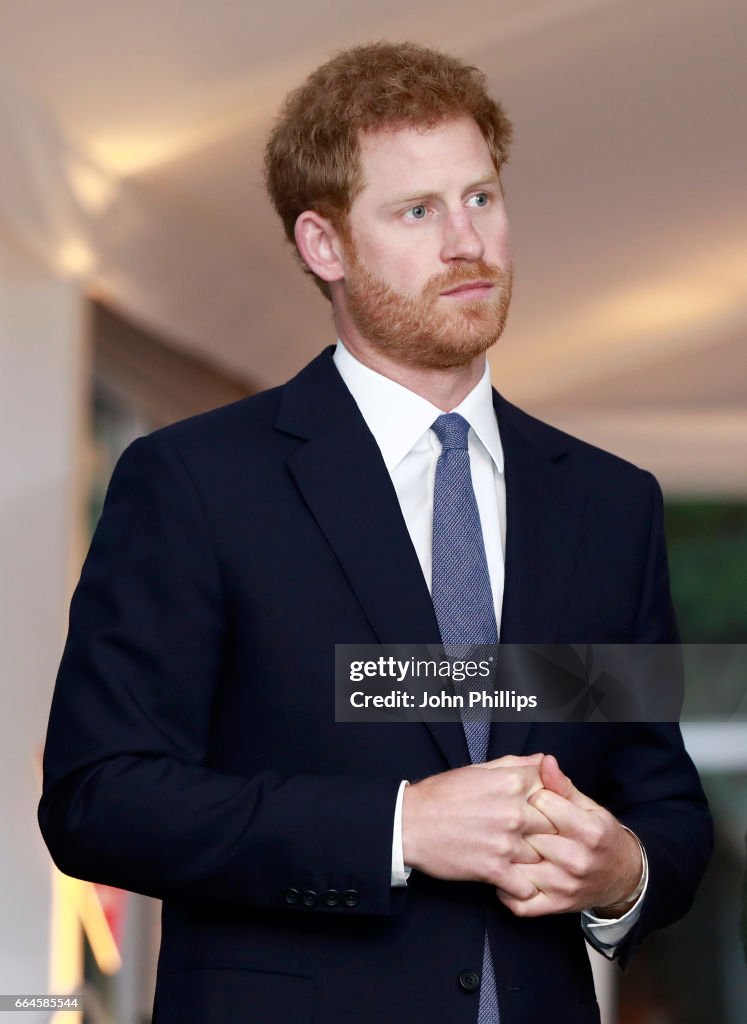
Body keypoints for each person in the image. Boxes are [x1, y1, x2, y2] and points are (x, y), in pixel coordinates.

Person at [39, 42, 712, 1024]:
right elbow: (100, 799)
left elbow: (667, 800)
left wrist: (625, 870)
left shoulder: (610, 506)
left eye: (482, 198)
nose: (467, 242)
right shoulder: (196, 482)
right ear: (324, 246)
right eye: (417, 211)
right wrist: (397, 827)